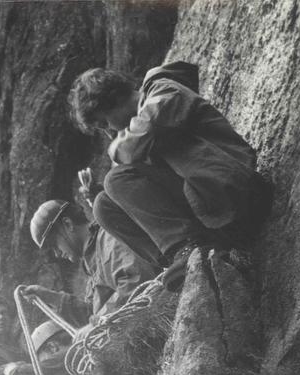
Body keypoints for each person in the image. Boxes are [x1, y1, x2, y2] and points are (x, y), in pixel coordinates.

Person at [68, 61, 270, 286]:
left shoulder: (164, 89)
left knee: (116, 180)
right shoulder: (136, 127)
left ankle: (187, 248)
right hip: (212, 212)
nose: (110, 130)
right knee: (103, 206)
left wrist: (117, 149)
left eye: (104, 121)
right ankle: (184, 256)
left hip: (237, 195)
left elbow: (150, 126)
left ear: (113, 98)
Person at [26, 198, 156, 328]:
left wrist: (95, 324)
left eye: (54, 244)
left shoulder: (109, 240)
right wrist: (52, 298)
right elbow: (91, 314)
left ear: (68, 224)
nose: (57, 254)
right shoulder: (92, 258)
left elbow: (136, 284)